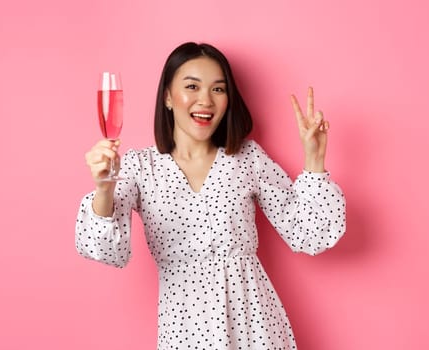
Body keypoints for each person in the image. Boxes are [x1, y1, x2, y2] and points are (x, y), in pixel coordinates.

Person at [75, 42, 346, 349]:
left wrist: (314, 159)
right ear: (167, 96)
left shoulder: (247, 158)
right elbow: (104, 249)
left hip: (254, 327)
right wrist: (104, 186)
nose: (205, 100)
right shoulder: (139, 167)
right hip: (184, 330)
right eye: (192, 86)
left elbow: (308, 233)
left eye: (218, 89)